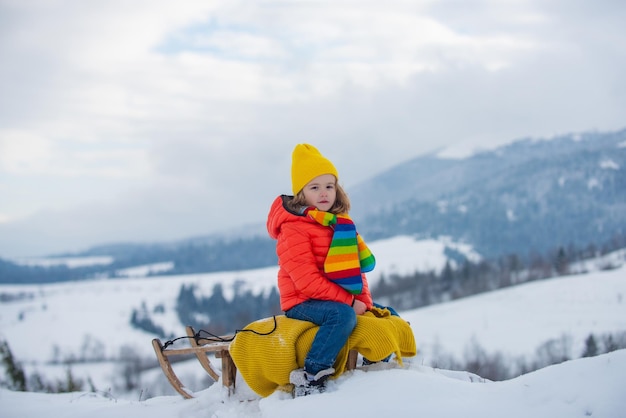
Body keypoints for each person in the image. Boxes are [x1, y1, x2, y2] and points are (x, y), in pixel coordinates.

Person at [266, 143, 378, 395]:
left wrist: (363, 301)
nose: (324, 193)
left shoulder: (340, 223)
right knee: (342, 316)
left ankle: (378, 368)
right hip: (302, 300)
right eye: (314, 187)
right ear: (301, 193)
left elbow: (355, 269)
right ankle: (312, 374)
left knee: (381, 312)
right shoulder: (293, 229)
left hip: (335, 297)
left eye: (329, 186)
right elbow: (306, 280)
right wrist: (350, 304)